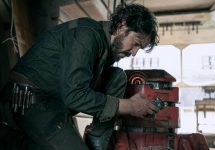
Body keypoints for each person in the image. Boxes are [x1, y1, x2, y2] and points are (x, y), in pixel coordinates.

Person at [3, 3, 159, 150]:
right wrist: (130, 106)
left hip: (55, 103)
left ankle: (96, 139)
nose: (133, 53)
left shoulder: (106, 51)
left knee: (117, 77)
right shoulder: (87, 36)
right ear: (122, 26)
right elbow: (74, 95)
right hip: (29, 99)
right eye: (136, 43)